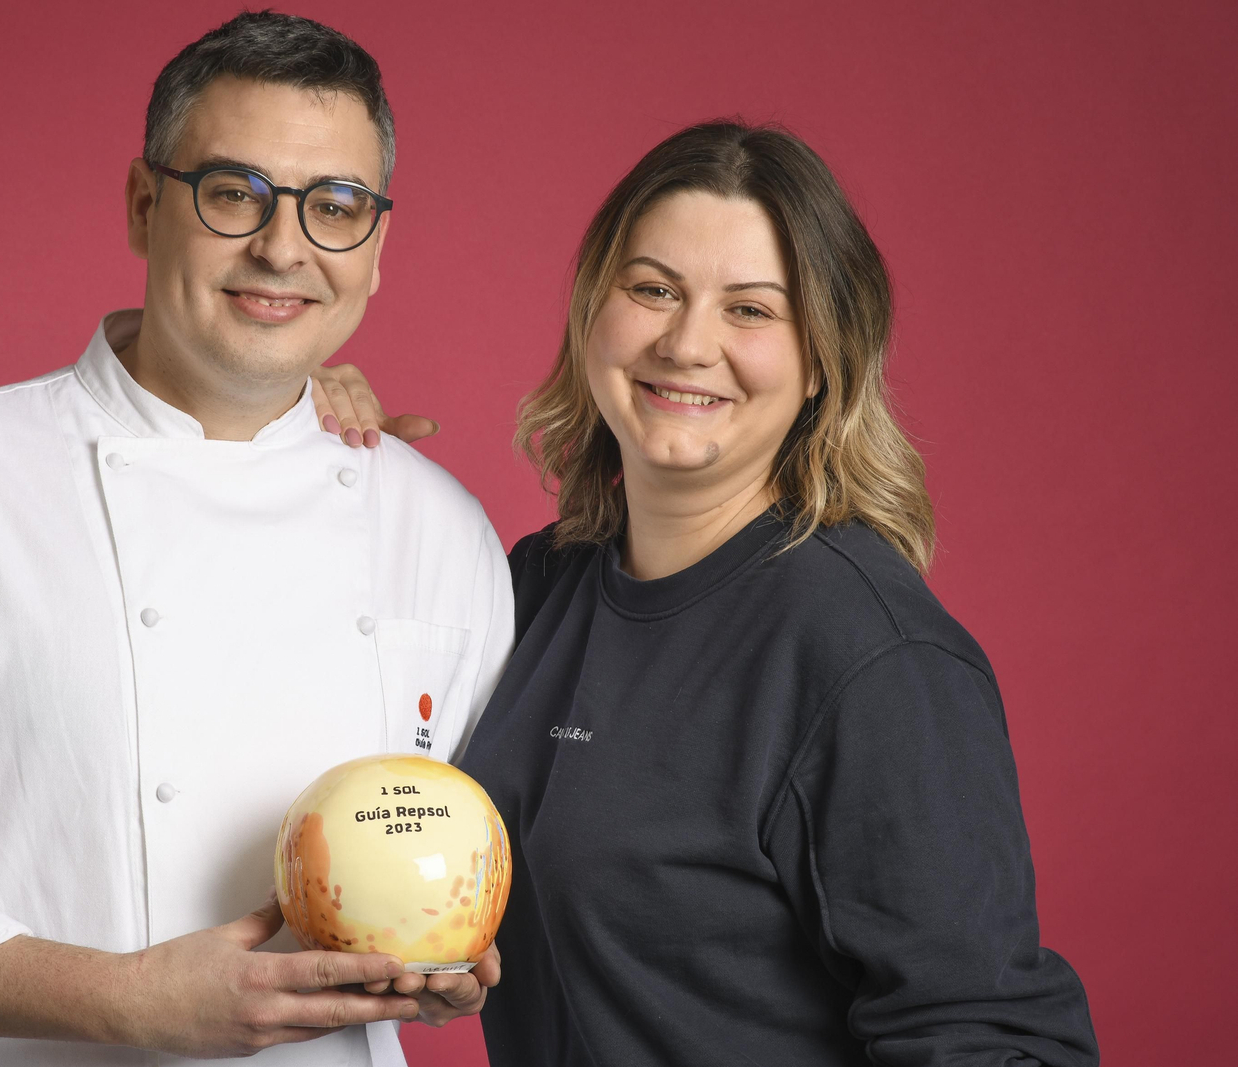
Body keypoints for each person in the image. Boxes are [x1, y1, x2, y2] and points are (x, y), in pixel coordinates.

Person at [0, 13, 510, 1067]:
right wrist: (123, 999)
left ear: (375, 247)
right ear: (147, 207)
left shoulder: (440, 527)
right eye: (234, 192)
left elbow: (470, 857)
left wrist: (447, 955)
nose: (283, 247)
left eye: (334, 206)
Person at [315, 121, 1100, 1065]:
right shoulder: (530, 588)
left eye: (751, 310)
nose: (688, 343)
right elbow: (288, 711)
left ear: (823, 360)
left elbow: (990, 1040)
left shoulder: (871, 656)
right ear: (592, 313)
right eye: (653, 290)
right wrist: (295, 443)